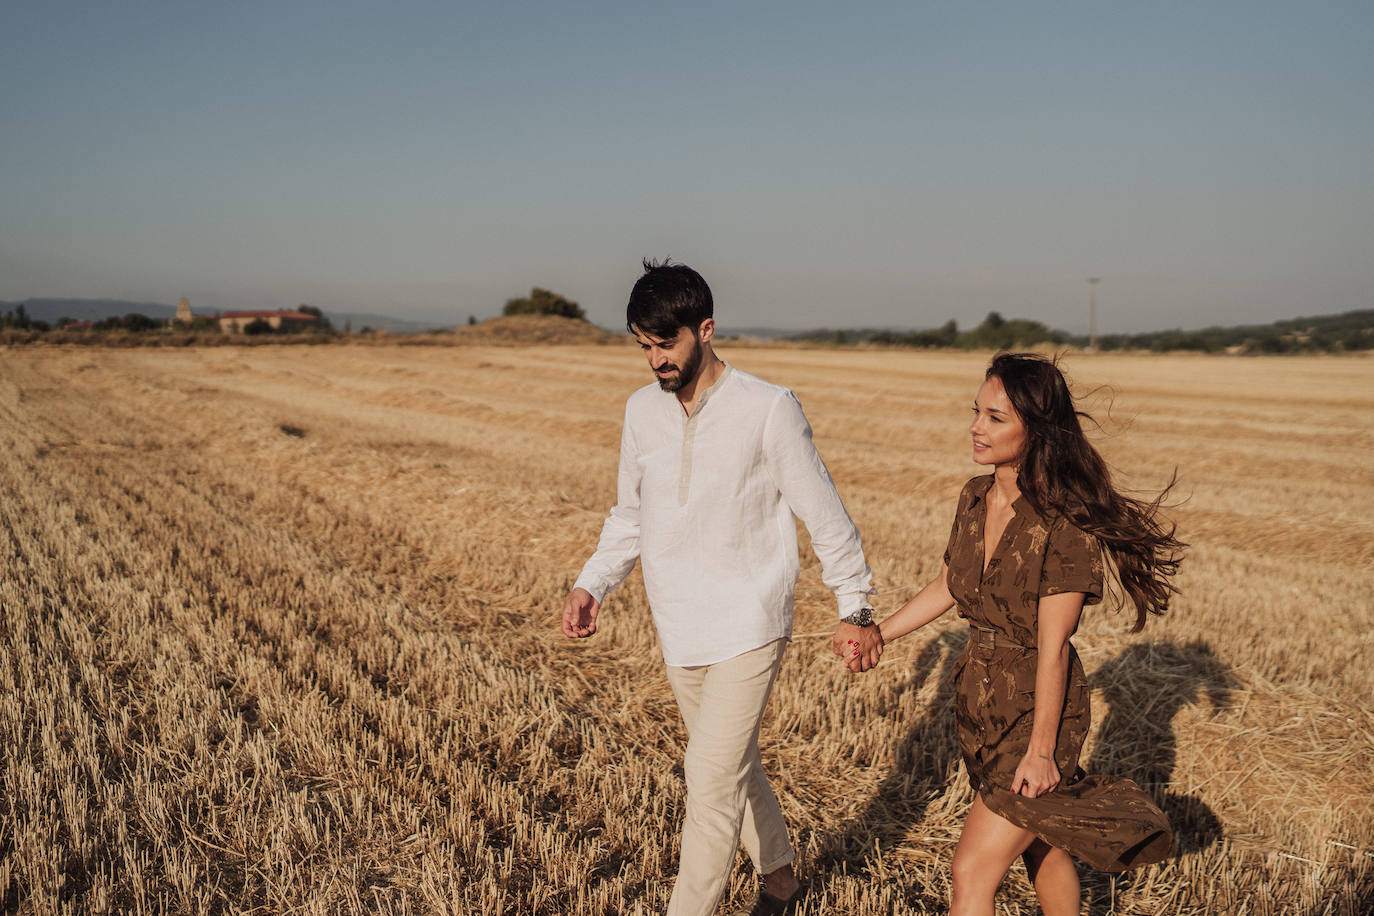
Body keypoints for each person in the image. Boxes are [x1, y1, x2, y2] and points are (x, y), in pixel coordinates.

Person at [562, 260, 883, 916]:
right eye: (643, 346)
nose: (655, 360)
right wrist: (593, 583)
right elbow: (630, 514)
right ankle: (782, 878)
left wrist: (856, 603)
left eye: (666, 343)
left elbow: (824, 515)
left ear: (705, 329)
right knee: (732, 765)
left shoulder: (767, 409)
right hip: (679, 626)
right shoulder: (639, 413)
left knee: (708, 785)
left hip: (750, 620)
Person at [844, 353, 1183, 916]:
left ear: (1036, 429)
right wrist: (882, 632)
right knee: (1042, 849)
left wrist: (1043, 752)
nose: (977, 427)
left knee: (973, 868)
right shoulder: (975, 496)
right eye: (976, 412)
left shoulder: (1063, 520)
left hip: (1036, 711)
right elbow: (953, 583)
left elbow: (1054, 648)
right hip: (980, 702)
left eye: (996, 418)